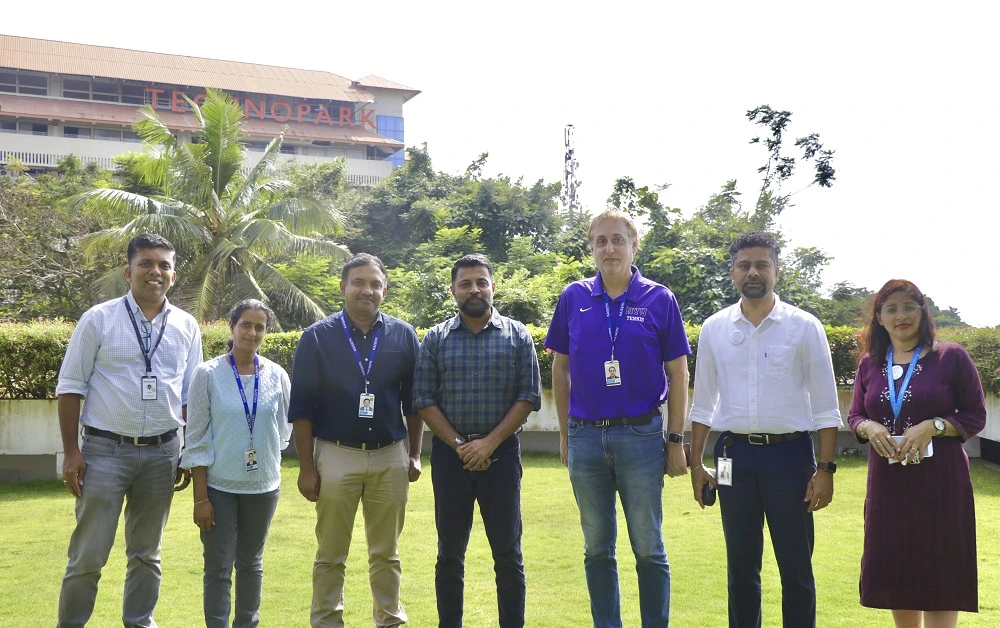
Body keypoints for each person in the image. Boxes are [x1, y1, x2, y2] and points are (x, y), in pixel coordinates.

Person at [688, 231, 842, 628]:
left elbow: (826, 407)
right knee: (740, 567)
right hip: (730, 457)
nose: (752, 272)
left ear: (776, 270)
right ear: (732, 272)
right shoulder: (714, 328)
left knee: (795, 567)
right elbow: (703, 402)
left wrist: (824, 469)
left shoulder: (804, 327)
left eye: (761, 264)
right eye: (744, 265)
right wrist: (696, 464)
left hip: (790, 458)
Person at [545, 208, 691, 627]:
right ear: (591, 248)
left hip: (641, 436)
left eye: (618, 240)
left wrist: (675, 439)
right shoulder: (574, 297)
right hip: (586, 438)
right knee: (596, 549)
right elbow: (560, 368)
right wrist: (564, 435)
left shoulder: (659, 298)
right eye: (601, 241)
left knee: (648, 547)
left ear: (633, 245)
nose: (609, 248)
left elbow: (678, 372)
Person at [55, 233, 203, 627]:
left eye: (164, 265)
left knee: (146, 554)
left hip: (163, 453)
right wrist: (72, 453)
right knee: (88, 556)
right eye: (146, 263)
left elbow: (192, 397)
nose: (155, 271)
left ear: (173, 275)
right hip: (104, 452)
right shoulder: (99, 319)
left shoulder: (187, 326)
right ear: (128, 271)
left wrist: (188, 452)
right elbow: (70, 387)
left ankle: (139, 622)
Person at [289, 253, 422, 628]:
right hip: (336, 454)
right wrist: (307, 468)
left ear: (385, 289)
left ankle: (390, 620)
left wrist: (414, 455)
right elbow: (302, 409)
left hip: (389, 456)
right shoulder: (317, 337)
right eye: (359, 282)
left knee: (387, 553)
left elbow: (414, 403)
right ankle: (328, 621)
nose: (368, 290)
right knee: (331, 553)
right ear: (343, 287)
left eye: (375, 284)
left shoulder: (403, 334)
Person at [847, 280, 985, 627]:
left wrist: (935, 425)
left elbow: (975, 415)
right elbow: (855, 415)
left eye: (910, 306)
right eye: (891, 308)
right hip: (889, 487)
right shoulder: (869, 364)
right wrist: (869, 427)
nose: (901, 315)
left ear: (924, 312)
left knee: (941, 566)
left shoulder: (951, 356)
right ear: (879, 318)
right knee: (897, 567)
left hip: (941, 485)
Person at [413, 254, 542, 628]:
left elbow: (528, 396)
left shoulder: (517, 335)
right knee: (449, 553)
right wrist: (460, 445)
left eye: (481, 282)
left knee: (508, 553)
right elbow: (423, 399)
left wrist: (488, 443)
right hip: (450, 459)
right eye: (465, 283)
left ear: (493, 287)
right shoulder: (436, 338)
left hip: (502, 459)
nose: (474, 289)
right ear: (453, 290)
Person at [181, 299, 291, 628]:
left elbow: (283, 430)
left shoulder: (278, 375)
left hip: (264, 487)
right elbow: (196, 438)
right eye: (246, 324)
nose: (252, 332)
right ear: (232, 327)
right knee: (217, 566)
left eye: (260, 327)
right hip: (218, 488)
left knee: (251, 563)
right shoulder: (208, 374)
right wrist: (201, 499)